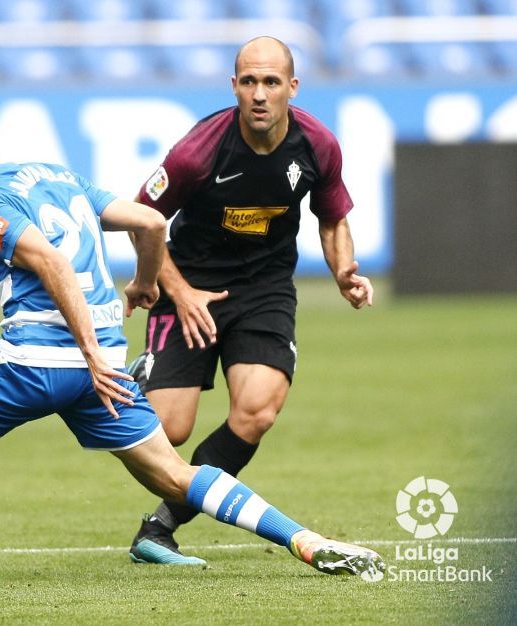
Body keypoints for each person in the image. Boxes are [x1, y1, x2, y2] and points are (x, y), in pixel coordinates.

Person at [0, 95, 384, 588]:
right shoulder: (56, 175)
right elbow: (147, 220)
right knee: (173, 476)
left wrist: (84, 347)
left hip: (41, 359)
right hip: (104, 362)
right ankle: (305, 539)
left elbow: (52, 264)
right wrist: (142, 287)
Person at [127, 36, 376, 566]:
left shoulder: (318, 145)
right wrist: (179, 290)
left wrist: (343, 271)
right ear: (234, 86)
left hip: (264, 289)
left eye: (270, 82)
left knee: (256, 410)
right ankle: (142, 374)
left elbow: (331, 218)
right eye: (248, 82)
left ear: (292, 86)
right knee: (169, 430)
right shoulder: (198, 152)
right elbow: (142, 219)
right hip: (189, 289)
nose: (259, 94)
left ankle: (161, 525)